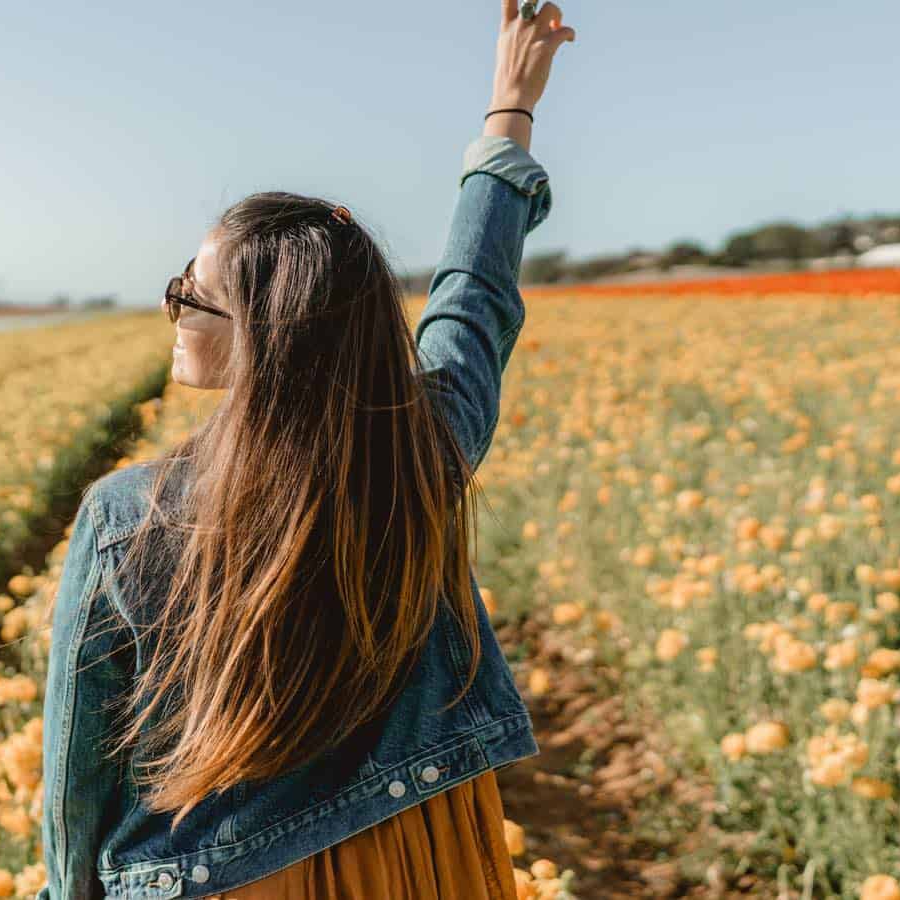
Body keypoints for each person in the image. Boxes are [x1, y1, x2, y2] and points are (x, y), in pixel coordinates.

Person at [38, 2, 575, 897]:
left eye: (193, 295)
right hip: (418, 852)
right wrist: (509, 108)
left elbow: (76, 786)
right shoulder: (421, 456)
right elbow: (473, 300)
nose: (173, 307)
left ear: (265, 335)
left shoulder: (128, 518)